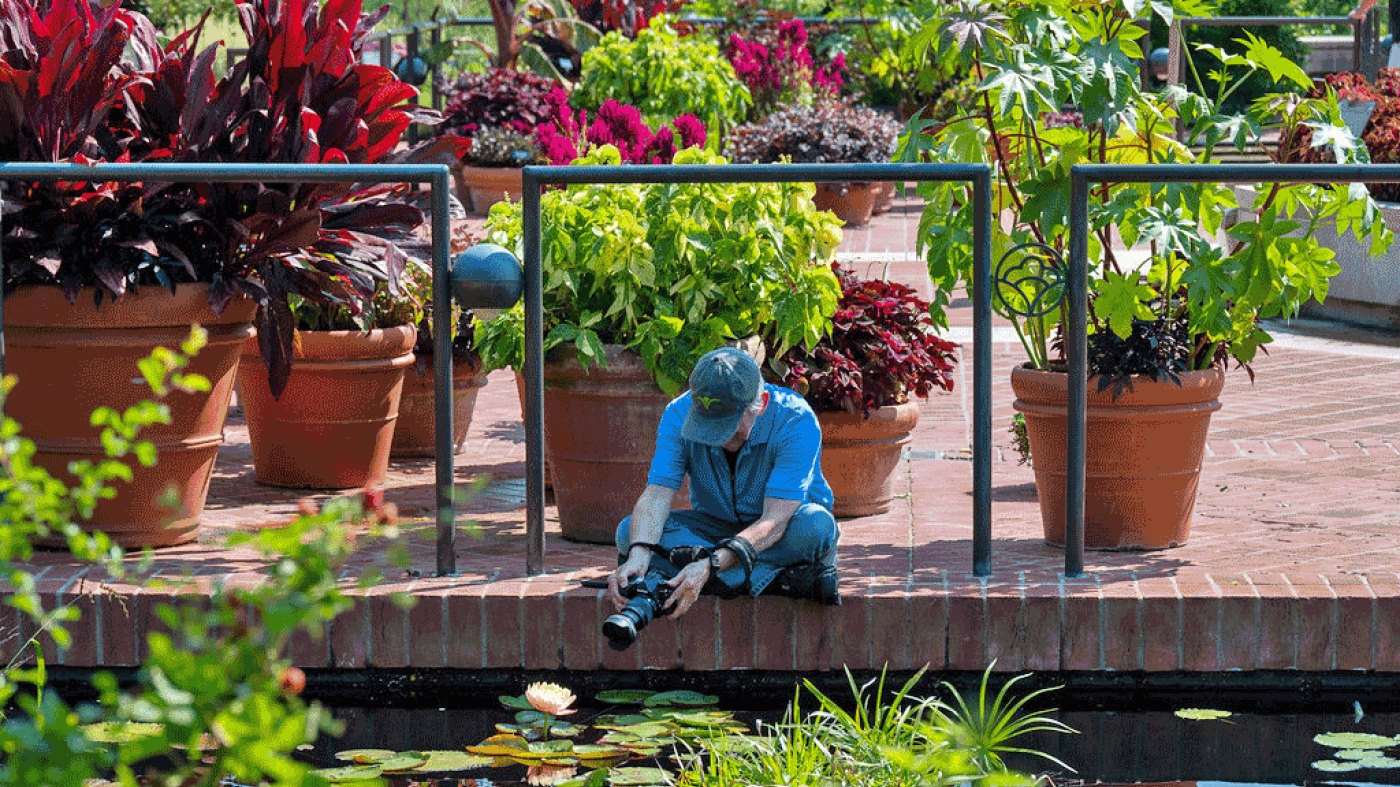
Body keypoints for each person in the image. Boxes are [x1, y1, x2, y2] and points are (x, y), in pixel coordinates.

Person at [606, 346, 841, 625]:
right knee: (629, 534)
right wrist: (638, 555)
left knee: (816, 527)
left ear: (762, 403)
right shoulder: (677, 413)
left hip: (783, 531)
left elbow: (775, 521)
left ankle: (699, 576)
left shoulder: (796, 420)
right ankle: (783, 579)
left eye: (726, 423)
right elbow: (657, 494)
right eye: (706, 423)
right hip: (715, 529)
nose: (716, 436)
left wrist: (710, 565)